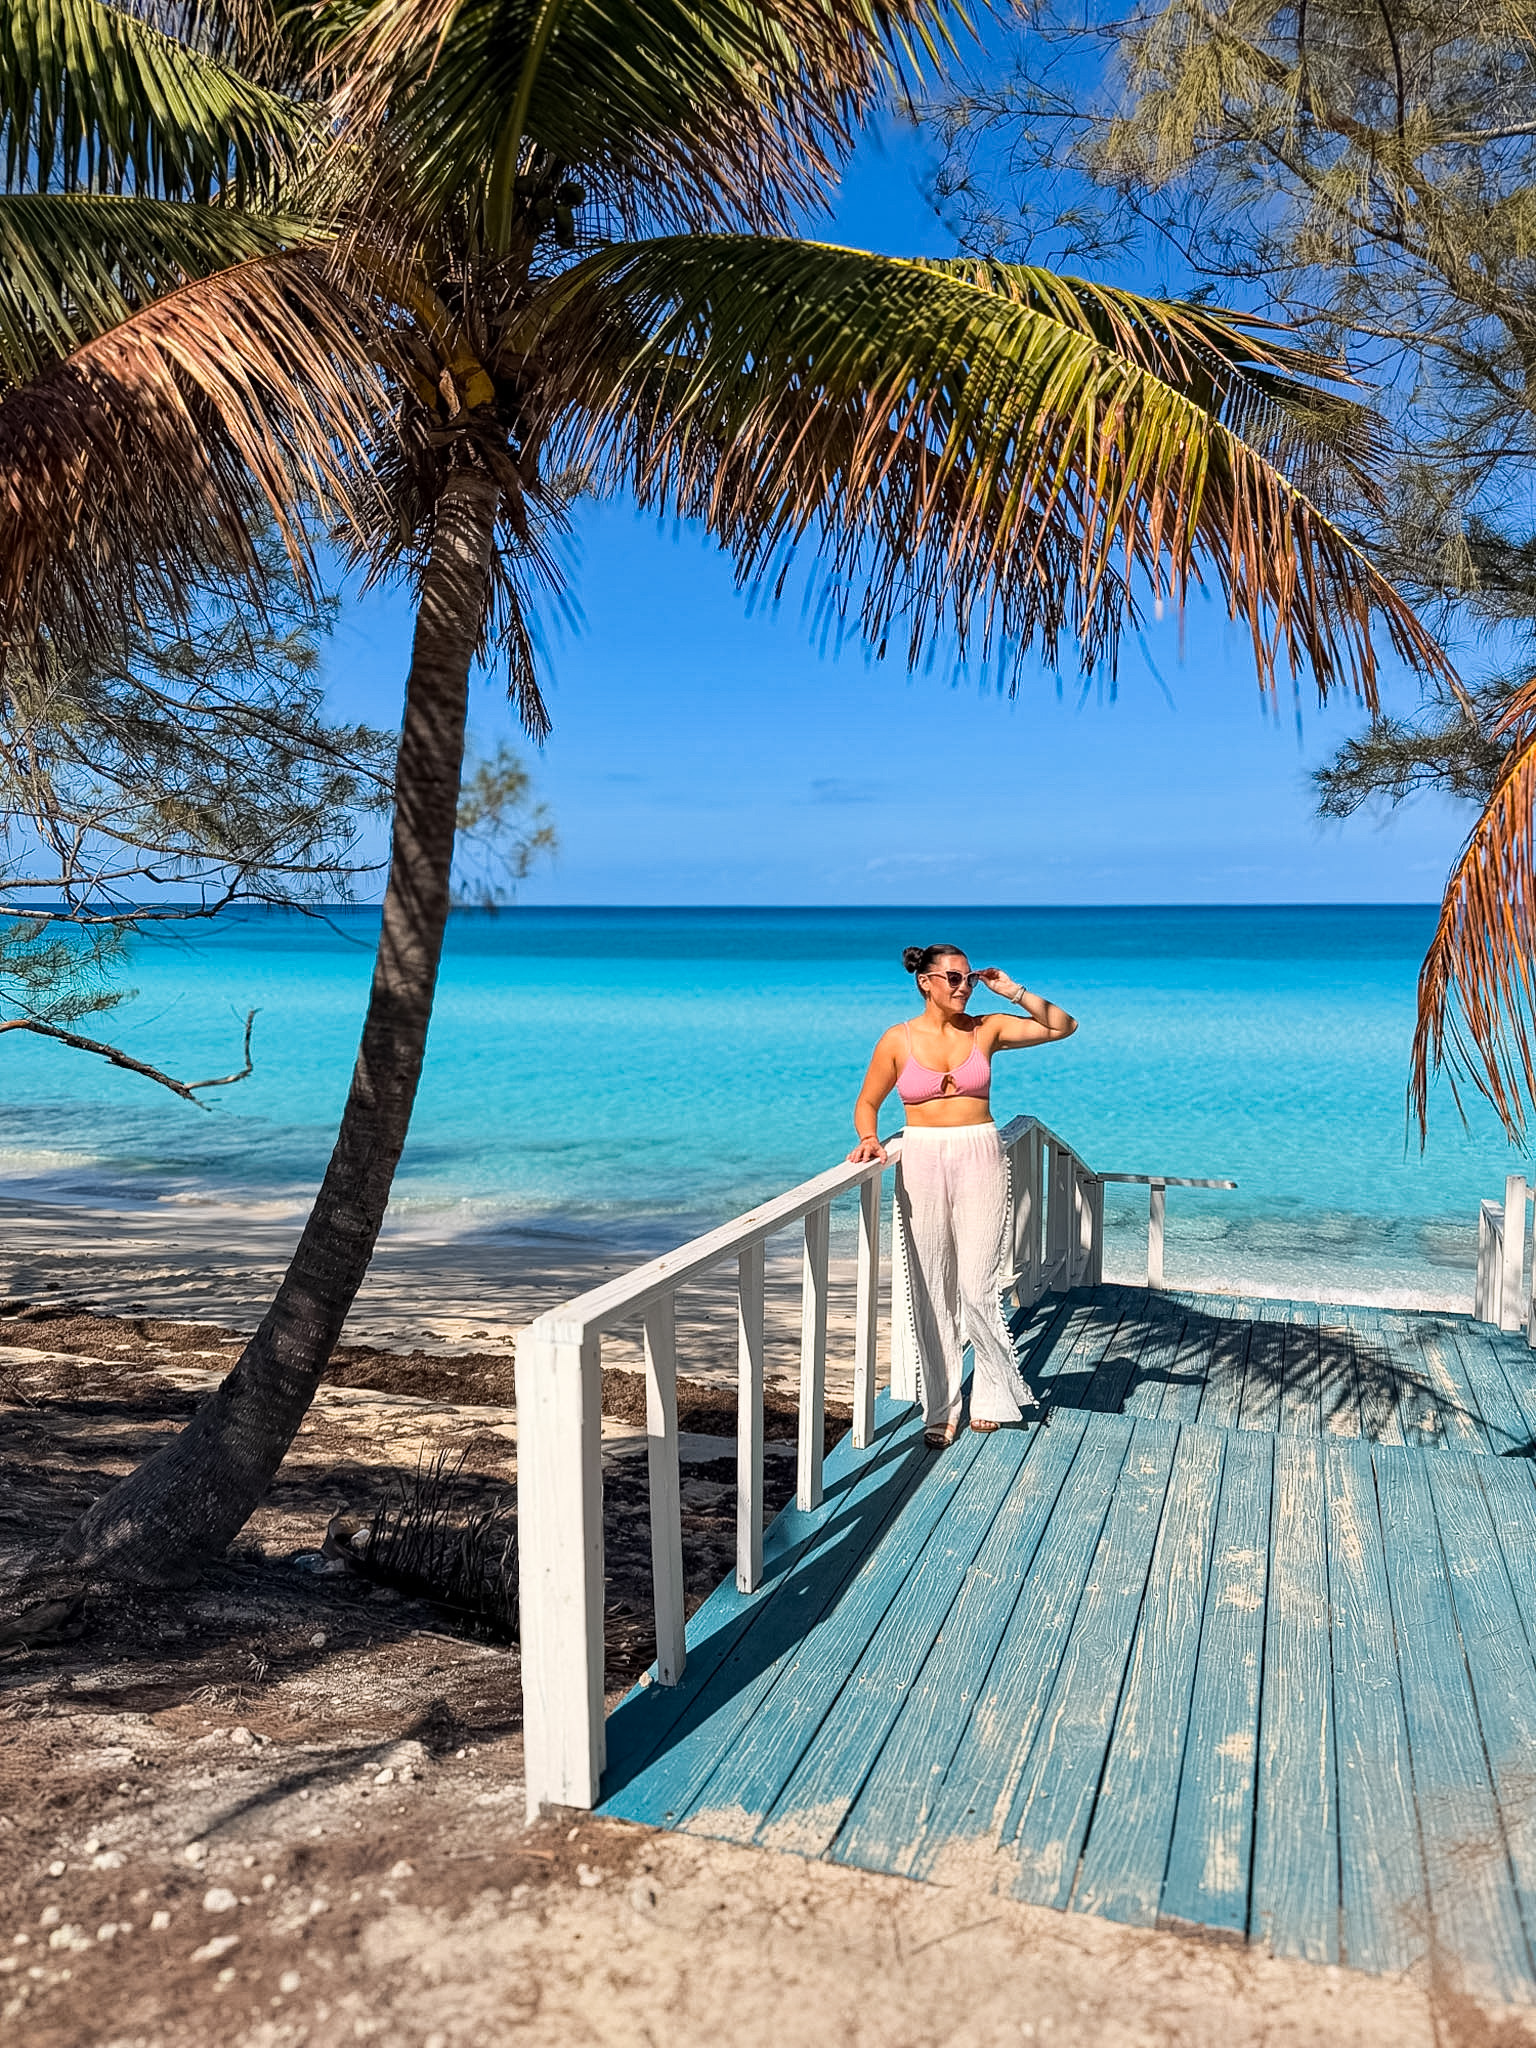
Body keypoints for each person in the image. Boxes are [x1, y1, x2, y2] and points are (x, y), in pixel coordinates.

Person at [848, 943, 1078, 1448]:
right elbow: (867, 1102)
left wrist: (1012, 990)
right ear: (924, 982)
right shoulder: (898, 1039)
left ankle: (993, 1395)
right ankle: (942, 1406)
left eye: (968, 978)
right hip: (922, 1157)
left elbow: (1064, 1026)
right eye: (952, 978)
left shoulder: (987, 1028)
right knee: (932, 1286)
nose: (962, 986)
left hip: (980, 1153)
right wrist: (869, 1138)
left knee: (977, 1285)